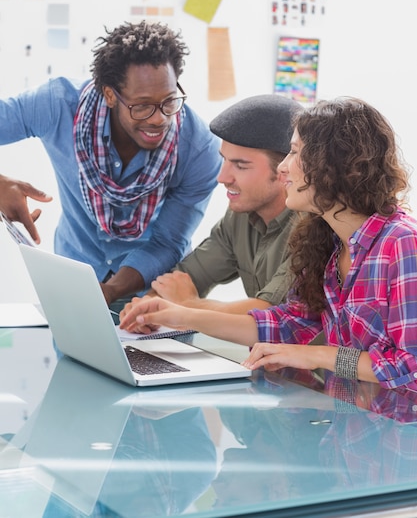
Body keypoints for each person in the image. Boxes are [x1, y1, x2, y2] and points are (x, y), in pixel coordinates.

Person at [120, 96, 417, 391]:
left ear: (334, 166)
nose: (284, 167)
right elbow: (286, 324)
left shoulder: (402, 242)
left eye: (294, 153)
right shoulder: (326, 240)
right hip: (346, 423)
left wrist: (314, 354)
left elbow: (408, 366)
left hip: (395, 432)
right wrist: (179, 315)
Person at [0, 20, 221, 312]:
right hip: (73, 286)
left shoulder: (198, 148)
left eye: (169, 101)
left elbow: (168, 242)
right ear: (109, 95)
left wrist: (110, 291)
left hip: (153, 299)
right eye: (142, 105)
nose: (160, 119)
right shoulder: (57, 105)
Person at [125, 94, 302, 317]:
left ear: (286, 169)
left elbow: (269, 315)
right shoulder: (239, 216)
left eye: (240, 166)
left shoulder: (311, 227)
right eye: (224, 160)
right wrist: (146, 308)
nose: (222, 177)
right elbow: (186, 277)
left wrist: (189, 304)